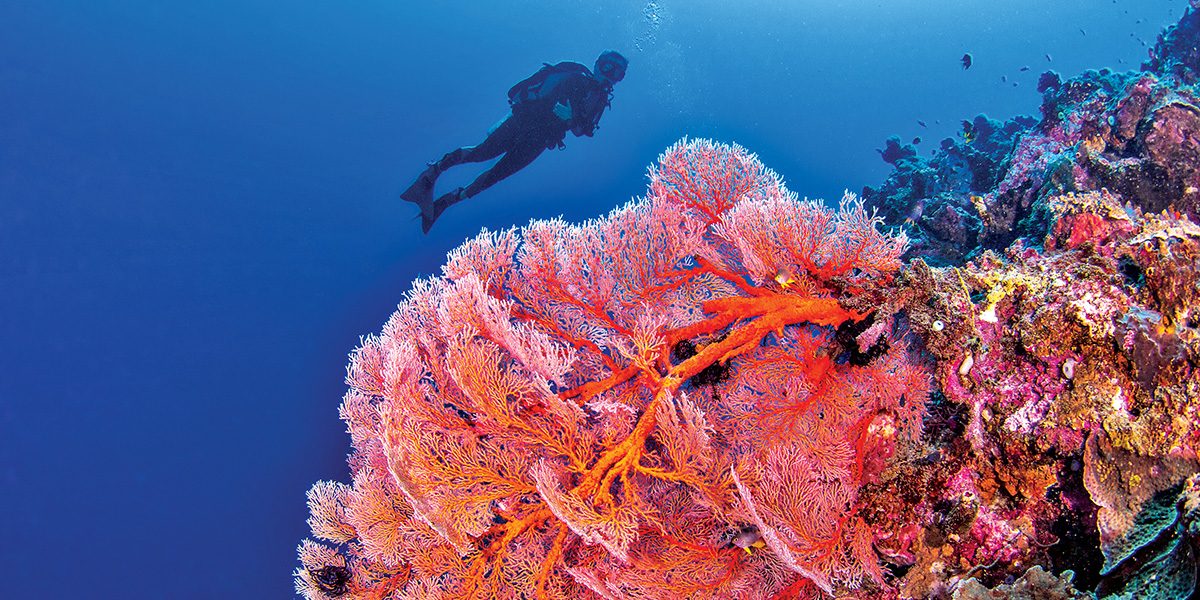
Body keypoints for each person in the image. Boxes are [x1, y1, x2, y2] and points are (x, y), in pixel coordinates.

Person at [401, 50, 628, 233]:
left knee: (497, 175)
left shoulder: (600, 100)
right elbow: (534, 92)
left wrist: (571, 118)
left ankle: (445, 203)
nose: (610, 74)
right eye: (609, 66)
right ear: (598, 64)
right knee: (482, 153)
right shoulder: (574, 77)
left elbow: (583, 130)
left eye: (618, 73)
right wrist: (554, 109)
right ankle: (431, 174)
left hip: (540, 141)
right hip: (523, 122)